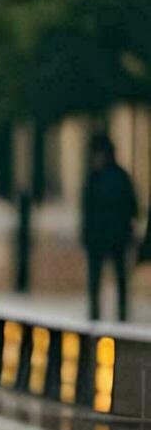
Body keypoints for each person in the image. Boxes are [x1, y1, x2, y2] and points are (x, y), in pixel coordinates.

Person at [81, 133, 138, 322]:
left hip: (112, 236)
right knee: (102, 277)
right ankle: (99, 311)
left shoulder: (99, 177)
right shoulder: (106, 177)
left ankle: (115, 312)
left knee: (114, 277)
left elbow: (130, 207)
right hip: (106, 236)